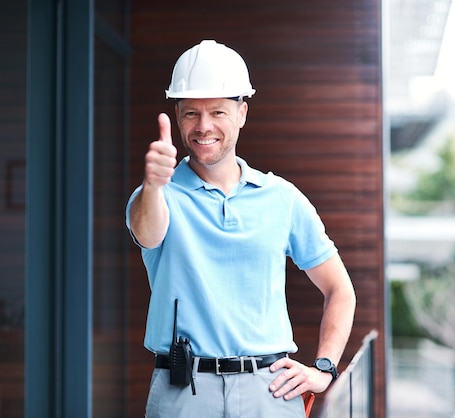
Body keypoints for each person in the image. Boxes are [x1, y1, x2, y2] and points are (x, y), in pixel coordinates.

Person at [125, 40, 356, 418]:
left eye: (218, 111)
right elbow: (147, 232)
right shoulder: (156, 196)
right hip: (183, 392)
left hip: (270, 390)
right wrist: (153, 184)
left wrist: (324, 369)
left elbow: (340, 290)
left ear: (242, 113)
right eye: (190, 114)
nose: (204, 127)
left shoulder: (281, 198)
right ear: (177, 116)